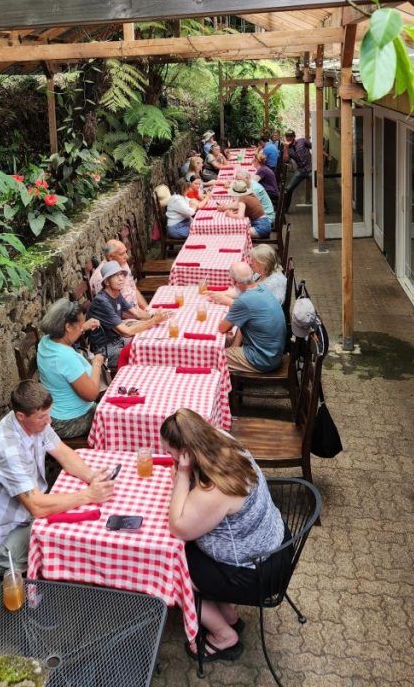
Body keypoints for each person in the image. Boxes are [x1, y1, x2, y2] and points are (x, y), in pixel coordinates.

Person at [161, 408, 289, 663]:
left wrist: (184, 474)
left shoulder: (215, 487)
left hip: (256, 573)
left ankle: (223, 635)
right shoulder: (223, 440)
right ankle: (228, 614)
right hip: (275, 543)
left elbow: (178, 526)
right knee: (188, 550)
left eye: (169, 453)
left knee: (172, 565)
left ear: (187, 452)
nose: (168, 458)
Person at [0, 381, 115, 571]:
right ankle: (52, 594)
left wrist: (92, 477)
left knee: (80, 525)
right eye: (43, 417)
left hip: (21, 517)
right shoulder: (8, 449)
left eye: (48, 414)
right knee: (69, 545)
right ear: (21, 416)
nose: (49, 421)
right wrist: (88, 495)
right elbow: (37, 507)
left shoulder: (34, 422)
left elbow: (63, 453)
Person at [36, 299, 106, 438]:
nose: (81, 329)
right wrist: (97, 363)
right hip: (69, 421)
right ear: (68, 327)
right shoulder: (65, 357)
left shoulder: (46, 341)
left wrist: (83, 327)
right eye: (80, 325)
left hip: (54, 411)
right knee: (112, 419)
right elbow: (92, 395)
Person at [86, 260, 168, 367]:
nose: (121, 278)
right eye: (115, 276)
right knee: (148, 351)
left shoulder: (116, 293)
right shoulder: (102, 301)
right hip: (104, 350)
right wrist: (154, 320)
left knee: (154, 340)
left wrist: (154, 315)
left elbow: (137, 314)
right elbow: (127, 332)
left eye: (121, 274)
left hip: (118, 340)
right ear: (106, 282)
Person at [217, 261, 287, 373]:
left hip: (263, 359)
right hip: (274, 352)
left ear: (235, 282)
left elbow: (222, 328)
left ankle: (220, 387)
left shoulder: (244, 301)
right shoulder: (263, 288)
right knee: (224, 341)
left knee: (213, 355)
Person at [89, 239, 148, 310]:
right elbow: (114, 310)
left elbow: (134, 290)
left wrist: (147, 310)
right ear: (110, 257)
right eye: (122, 254)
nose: (127, 257)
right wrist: (145, 317)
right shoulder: (101, 277)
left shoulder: (123, 264)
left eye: (126, 252)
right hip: (122, 317)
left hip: (135, 310)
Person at [282, 129, 313, 210]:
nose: (289, 138)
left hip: (310, 168)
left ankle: (325, 207)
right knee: (288, 189)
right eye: (287, 136)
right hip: (300, 170)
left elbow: (314, 147)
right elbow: (285, 160)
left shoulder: (302, 141)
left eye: (291, 136)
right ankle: (285, 210)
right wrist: (285, 147)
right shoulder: (288, 148)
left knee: (318, 187)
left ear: (294, 136)